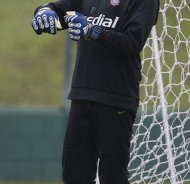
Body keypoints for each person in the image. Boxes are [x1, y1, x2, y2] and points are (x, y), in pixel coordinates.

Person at [31, 0, 159, 183]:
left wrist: (92, 31)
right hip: (81, 94)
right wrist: (44, 11)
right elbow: (60, 11)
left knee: (112, 176)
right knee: (74, 175)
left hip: (116, 98)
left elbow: (131, 44)